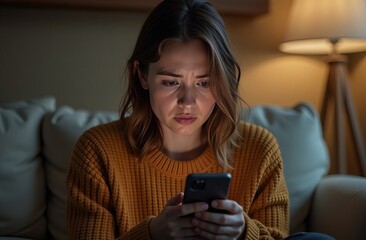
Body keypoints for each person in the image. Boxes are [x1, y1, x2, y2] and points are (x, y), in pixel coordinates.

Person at [66, 0, 335, 239]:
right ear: (142, 75)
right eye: (171, 81)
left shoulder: (260, 148)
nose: (187, 101)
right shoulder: (97, 150)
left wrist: (243, 232)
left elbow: (278, 236)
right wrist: (152, 234)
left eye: (204, 83)